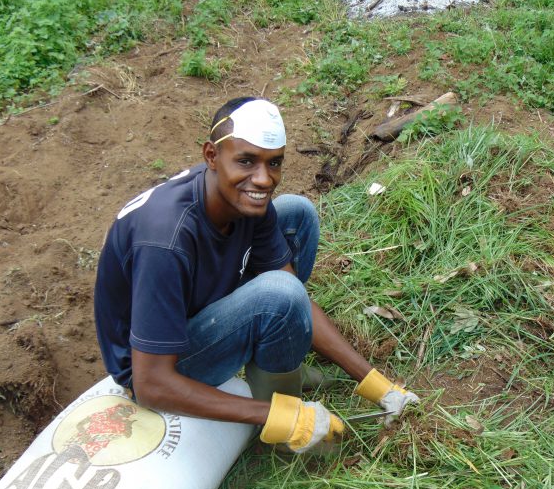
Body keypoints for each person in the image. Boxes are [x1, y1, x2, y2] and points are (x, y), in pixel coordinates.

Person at [93, 97, 418, 454]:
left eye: (274, 162)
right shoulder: (164, 242)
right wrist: (278, 416)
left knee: (297, 214)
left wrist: (376, 384)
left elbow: (297, 298)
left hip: (195, 311)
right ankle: (288, 430)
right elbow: (152, 384)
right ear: (211, 156)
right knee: (279, 294)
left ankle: (280, 375)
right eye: (246, 161)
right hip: (155, 369)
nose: (264, 179)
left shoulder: (239, 196)